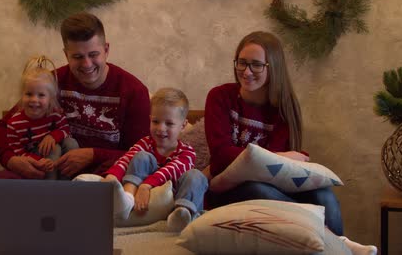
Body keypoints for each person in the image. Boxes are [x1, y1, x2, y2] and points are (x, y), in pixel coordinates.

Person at [0, 12, 150, 203]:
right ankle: (63, 199)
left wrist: (93, 155)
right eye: (77, 57)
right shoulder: (49, 82)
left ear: (106, 49)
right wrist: (12, 160)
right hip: (49, 170)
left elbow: (141, 152)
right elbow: (2, 128)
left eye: (93, 55)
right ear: (65, 54)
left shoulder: (134, 90)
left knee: (121, 180)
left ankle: (59, 200)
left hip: (102, 174)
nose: (87, 64)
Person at [203, 31, 344, 235]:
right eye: (241, 62)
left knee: (325, 195)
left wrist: (270, 159)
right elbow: (220, 156)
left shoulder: (284, 108)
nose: (247, 71)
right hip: (227, 187)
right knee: (257, 189)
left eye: (257, 65)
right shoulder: (220, 97)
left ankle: (336, 245)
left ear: (273, 67)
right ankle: (321, 234)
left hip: (274, 187)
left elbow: (273, 171)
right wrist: (279, 157)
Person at [102, 88, 208, 232]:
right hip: (143, 201)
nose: (160, 128)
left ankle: (183, 214)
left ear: (183, 126)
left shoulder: (187, 152)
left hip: (172, 201)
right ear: (150, 119)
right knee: (141, 157)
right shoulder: (144, 143)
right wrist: (111, 177)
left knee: (196, 176)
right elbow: (126, 159)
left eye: (169, 124)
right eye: (156, 121)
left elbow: (171, 170)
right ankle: (126, 200)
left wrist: (146, 185)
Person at [4, 56, 77, 180]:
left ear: (50, 98)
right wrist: (39, 161)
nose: (34, 100)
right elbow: (18, 152)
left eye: (41, 95)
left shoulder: (55, 114)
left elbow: (66, 131)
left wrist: (53, 136)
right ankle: (50, 189)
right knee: (54, 149)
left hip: (58, 160)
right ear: (22, 95)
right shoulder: (14, 123)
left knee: (71, 143)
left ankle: (68, 183)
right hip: (34, 163)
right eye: (29, 94)